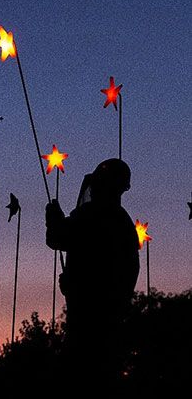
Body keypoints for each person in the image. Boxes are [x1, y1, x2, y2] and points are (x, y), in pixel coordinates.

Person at [45, 158, 139, 393]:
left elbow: (58, 238)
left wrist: (53, 218)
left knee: (81, 378)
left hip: (88, 321)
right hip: (112, 324)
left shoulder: (93, 215)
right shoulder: (123, 222)